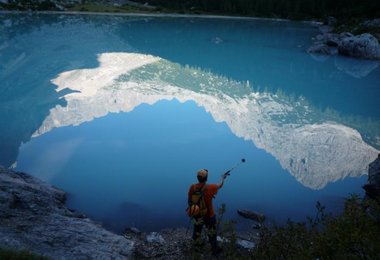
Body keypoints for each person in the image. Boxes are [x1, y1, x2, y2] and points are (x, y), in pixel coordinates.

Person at [188, 168, 227, 255]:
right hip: (209, 215)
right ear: (206, 178)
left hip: (197, 213)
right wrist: (223, 178)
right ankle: (215, 250)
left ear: (197, 177)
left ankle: (198, 247)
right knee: (212, 233)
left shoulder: (192, 187)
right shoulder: (210, 187)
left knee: (197, 230)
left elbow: (189, 201)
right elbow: (219, 185)